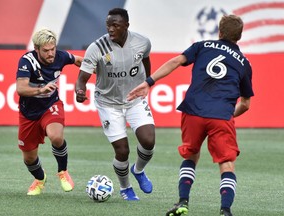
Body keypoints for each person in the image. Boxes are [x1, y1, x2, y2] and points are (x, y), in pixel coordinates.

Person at [127, 14, 254, 215]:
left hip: (193, 111)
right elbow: (246, 104)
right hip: (221, 115)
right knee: (226, 163)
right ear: (239, 36)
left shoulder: (202, 46)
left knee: (191, 155)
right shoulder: (244, 63)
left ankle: (183, 202)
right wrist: (228, 115)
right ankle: (225, 210)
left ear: (219, 32)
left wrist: (149, 82)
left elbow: (176, 61)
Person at [75, 8, 155, 201]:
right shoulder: (97, 47)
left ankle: (139, 170)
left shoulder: (142, 42)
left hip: (134, 99)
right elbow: (82, 78)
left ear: (126, 25)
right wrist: (79, 91)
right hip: (108, 103)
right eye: (108, 25)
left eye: (115, 25)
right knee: (122, 150)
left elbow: (146, 62)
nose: (111, 29)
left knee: (148, 140)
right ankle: (125, 188)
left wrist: (145, 84)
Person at [16, 28, 83, 195]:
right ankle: (40, 179)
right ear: (36, 49)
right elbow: (21, 88)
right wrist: (41, 89)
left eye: (52, 49)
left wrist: (99, 69)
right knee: (29, 158)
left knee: (56, 136)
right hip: (28, 113)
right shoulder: (26, 61)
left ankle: (63, 172)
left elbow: (79, 60)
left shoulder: (61, 56)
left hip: (50, 106)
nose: (51, 53)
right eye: (46, 51)